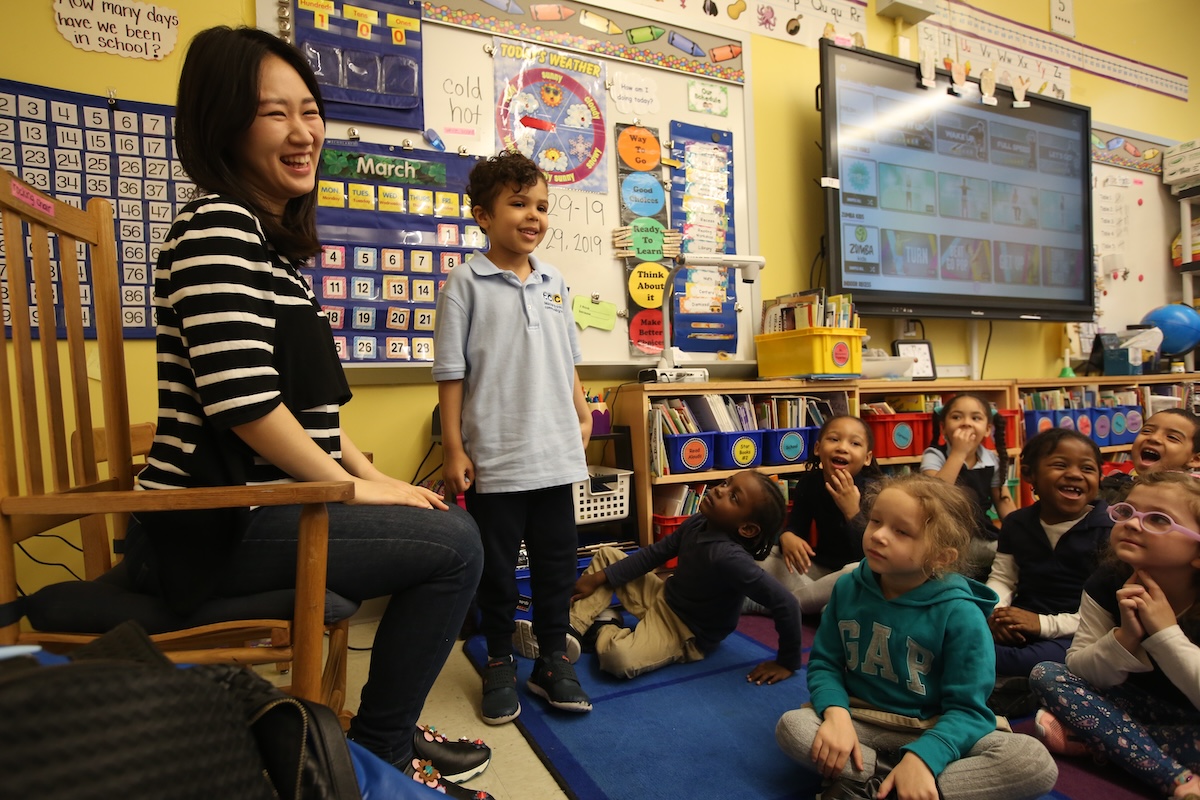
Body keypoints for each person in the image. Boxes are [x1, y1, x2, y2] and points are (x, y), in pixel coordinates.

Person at [126, 27, 489, 800]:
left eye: (310, 110)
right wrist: (351, 491)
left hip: (267, 507)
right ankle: (381, 751)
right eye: (273, 113)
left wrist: (365, 469)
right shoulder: (216, 224)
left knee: (436, 515)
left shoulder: (268, 246)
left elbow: (300, 405)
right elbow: (244, 404)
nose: (304, 132)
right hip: (212, 525)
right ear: (224, 123)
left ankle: (379, 732)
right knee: (457, 543)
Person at [433, 150, 593, 725]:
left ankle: (553, 657)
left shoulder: (555, 283)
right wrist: (453, 447)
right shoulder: (465, 282)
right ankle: (499, 658)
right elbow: (451, 372)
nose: (534, 216)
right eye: (519, 204)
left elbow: (568, 358)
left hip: (555, 453)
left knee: (556, 565)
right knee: (498, 570)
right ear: (482, 215)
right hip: (496, 458)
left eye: (542, 206)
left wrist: (583, 410)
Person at [775, 475, 1058, 800]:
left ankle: (875, 783)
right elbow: (825, 662)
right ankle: (899, 787)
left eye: (901, 532)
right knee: (793, 727)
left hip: (935, 725)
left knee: (1032, 761)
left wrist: (926, 757)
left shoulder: (961, 614)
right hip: (863, 719)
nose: (878, 535)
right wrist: (836, 715)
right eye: (876, 521)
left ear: (941, 557)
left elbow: (967, 710)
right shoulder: (847, 587)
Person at [1030, 471, 1200, 800]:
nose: (1133, 524)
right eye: (1127, 512)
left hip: (1190, 718)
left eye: (1158, 520)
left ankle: (1096, 739)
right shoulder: (1107, 580)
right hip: (1128, 703)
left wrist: (1164, 633)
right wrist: (1125, 638)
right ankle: (1176, 779)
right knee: (1047, 674)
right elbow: (1078, 667)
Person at [570, 471, 799, 683]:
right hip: (665, 595)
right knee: (607, 556)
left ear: (747, 529)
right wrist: (600, 577)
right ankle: (573, 628)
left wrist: (787, 662)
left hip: (684, 631)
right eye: (726, 483)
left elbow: (786, 603)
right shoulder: (699, 521)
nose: (720, 490)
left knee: (616, 659)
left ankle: (604, 626)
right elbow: (654, 554)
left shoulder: (731, 559)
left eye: (734, 497)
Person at [984, 429, 1112, 717]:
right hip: (1020, 623)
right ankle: (1012, 686)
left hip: (1078, 633)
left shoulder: (1110, 531)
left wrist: (1041, 625)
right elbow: (1003, 578)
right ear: (1029, 474)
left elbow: (1104, 615)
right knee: (963, 629)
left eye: (1087, 468)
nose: (1075, 474)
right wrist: (997, 613)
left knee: (1042, 662)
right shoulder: (1017, 523)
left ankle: (1014, 686)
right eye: (1060, 465)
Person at [745, 415, 881, 615]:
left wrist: (852, 511)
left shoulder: (874, 492)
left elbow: (870, 556)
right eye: (834, 439)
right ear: (818, 448)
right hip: (819, 571)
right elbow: (796, 527)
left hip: (858, 575)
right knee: (765, 558)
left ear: (867, 458)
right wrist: (787, 536)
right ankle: (821, 606)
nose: (842, 447)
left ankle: (788, 605)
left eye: (854, 443)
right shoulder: (810, 483)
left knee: (851, 573)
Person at [922, 392, 1016, 578]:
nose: (966, 423)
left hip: (981, 533)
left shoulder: (991, 459)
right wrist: (958, 452)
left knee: (1017, 555)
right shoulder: (935, 454)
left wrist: (1022, 532)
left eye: (976, 417)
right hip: (944, 535)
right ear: (943, 428)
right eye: (957, 417)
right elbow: (935, 493)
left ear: (987, 429)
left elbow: (1003, 502)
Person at [1100, 408, 1200, 504]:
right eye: (1147, 431)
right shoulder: (1112, 485)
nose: (1154, 438)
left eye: (1172, 437)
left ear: (1195, 459)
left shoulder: (1191, 502)